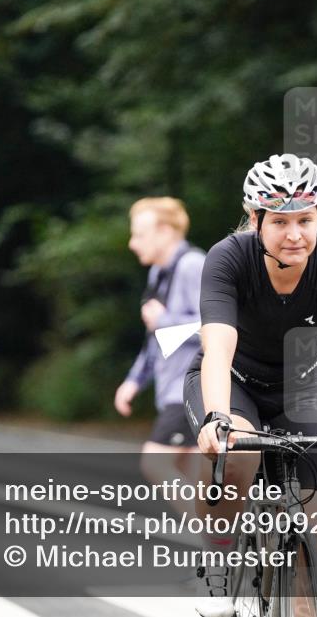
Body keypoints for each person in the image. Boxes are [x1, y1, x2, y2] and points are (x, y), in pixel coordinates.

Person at [183, 154, 317, 617]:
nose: (295, 234)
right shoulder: (228, 258)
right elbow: (218, 348)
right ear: (255, 219)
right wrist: (217, 419)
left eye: (305, 219)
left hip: (302, 387)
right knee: (238, 454)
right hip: (233, 382)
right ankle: (218, 560)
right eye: (280, 221)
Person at [114, 197, 205, 517]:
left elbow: (216, 329)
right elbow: (156, 337)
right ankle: (226, 553)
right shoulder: (158, 273)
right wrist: (134, 380)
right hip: (172, 391)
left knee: (156, 462)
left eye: (139, 234)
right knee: (196, 478)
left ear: (165, 231)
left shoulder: (193, 265)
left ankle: (220, 540)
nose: (132, 242)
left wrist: (164, 320)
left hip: (193, 387)